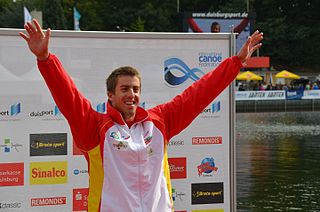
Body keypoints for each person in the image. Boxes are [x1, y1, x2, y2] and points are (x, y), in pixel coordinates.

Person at [19, 19, 263, 212]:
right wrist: (45, 59)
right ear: (110, 96)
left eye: (135, 89)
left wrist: (236, 62)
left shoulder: (159, 122)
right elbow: (68, 97)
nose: (131, 94)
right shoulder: (94, 128)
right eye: (124, 89)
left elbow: (198, 94)